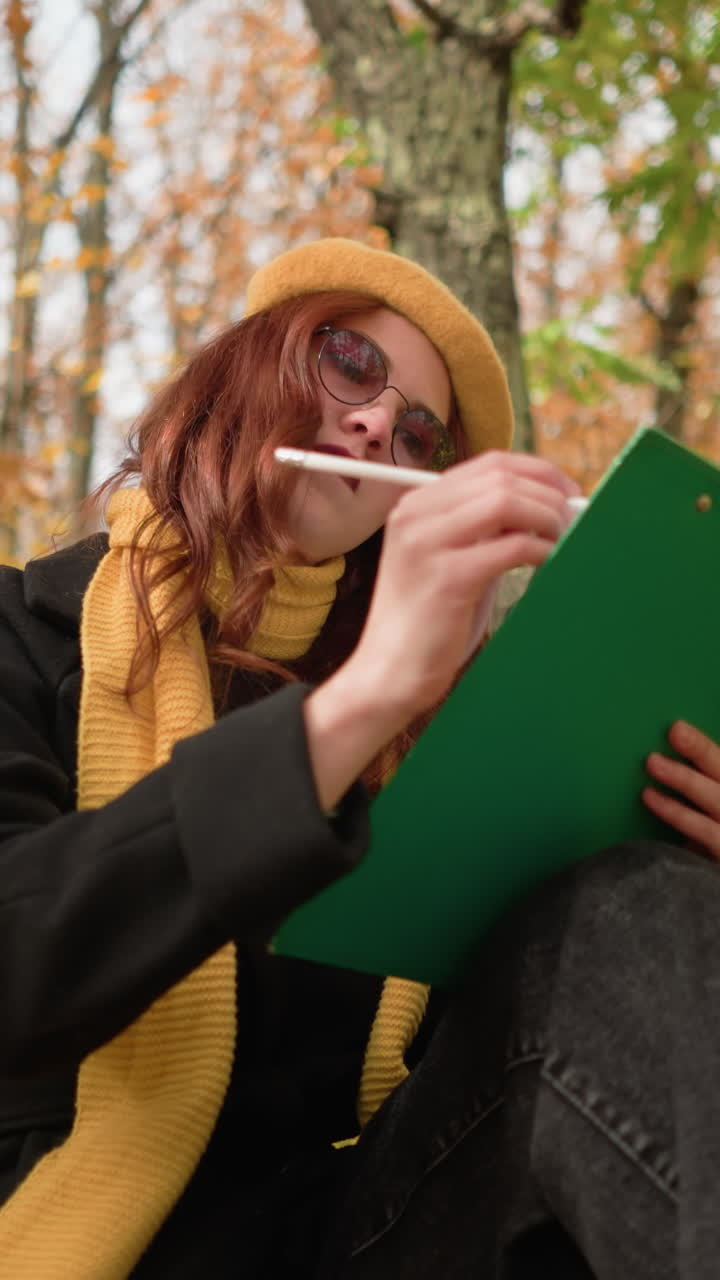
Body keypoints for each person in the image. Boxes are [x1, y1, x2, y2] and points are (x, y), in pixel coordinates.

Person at [0, 237, 719, 1280]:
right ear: (246, 365)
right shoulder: (23, 636)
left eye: (421, 434)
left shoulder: (448, 739)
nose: (380, 422)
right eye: (349, 359)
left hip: (371, 1230)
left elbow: (550, 1056)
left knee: (635, 903)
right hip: (101, 1241)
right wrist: (363, 697)